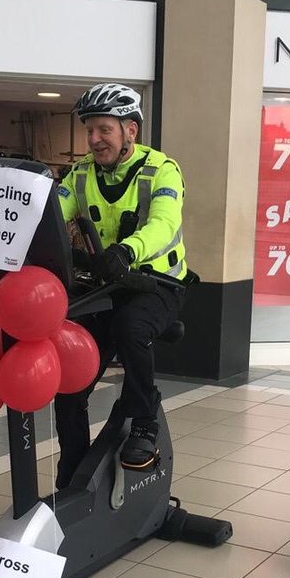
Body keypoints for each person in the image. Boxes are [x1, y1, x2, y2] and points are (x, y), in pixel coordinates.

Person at [55, 82, 189, 486]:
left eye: (104, 130)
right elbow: (49, 215)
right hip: (107, 284)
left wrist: (128, 251)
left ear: (130, 130)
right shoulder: (79, 175)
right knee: (71, 376)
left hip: (157, 283)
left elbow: (164, 223)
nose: (94, 140)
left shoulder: (163, 169)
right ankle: (74, 471)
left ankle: (144, 420)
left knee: (130, 329)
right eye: (89, 130)